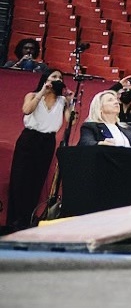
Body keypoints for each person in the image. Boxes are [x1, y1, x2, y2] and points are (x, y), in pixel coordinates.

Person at [5, 69, 72, 231]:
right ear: (46, 79)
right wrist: (43, 91)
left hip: (47, 141)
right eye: (54, 76)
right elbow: (27, 110)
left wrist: (70, 102)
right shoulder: (32, 95)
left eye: (60, 77)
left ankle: (28, 217)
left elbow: (70, 122)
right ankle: (14, 218)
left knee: (37, 178)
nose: (57, 79)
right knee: (21, 177)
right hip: (29, 138)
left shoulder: (62, 101)